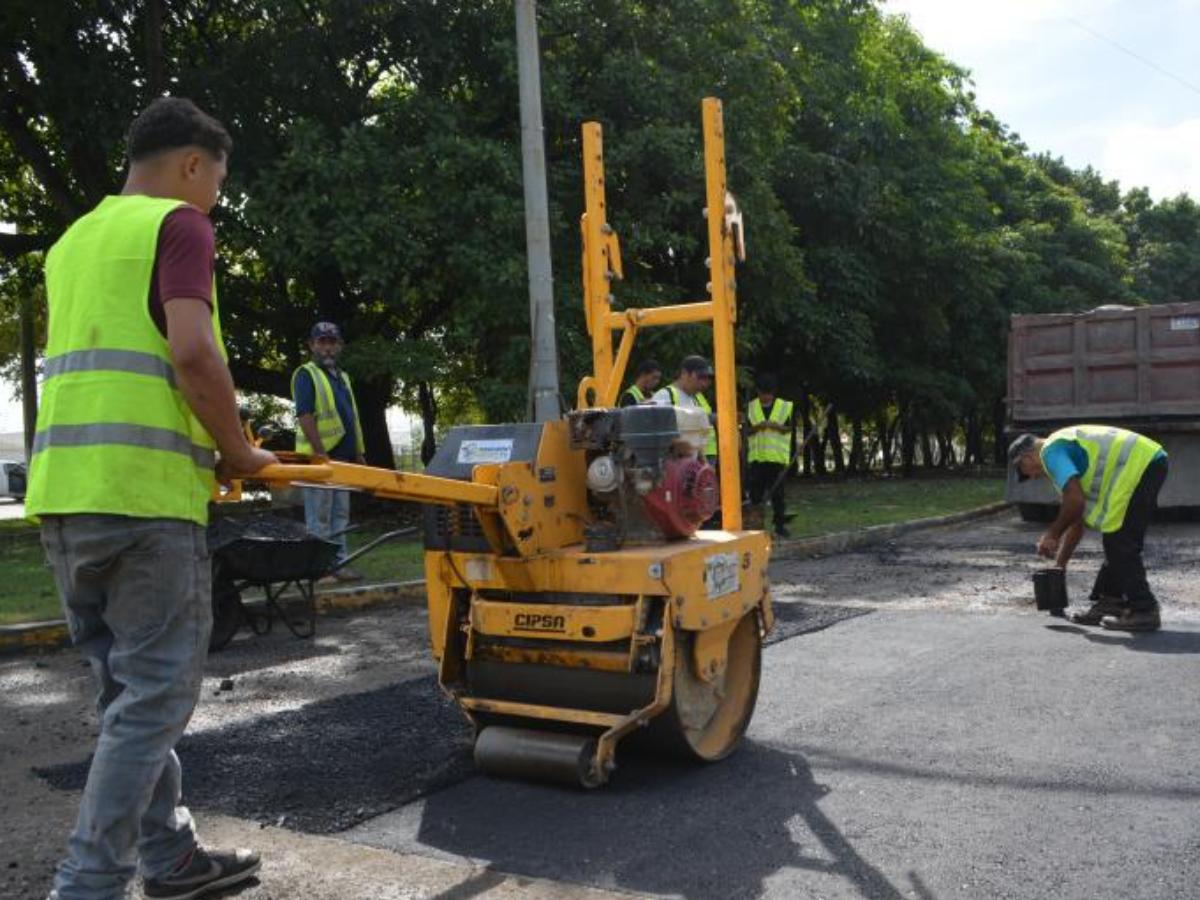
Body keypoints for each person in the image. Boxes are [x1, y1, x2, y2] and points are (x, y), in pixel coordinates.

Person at [26, 97, 272, 900]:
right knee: (155, 699)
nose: (215, 202)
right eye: (217, 184)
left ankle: (167, 856)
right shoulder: (180, 224)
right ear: (193, 164)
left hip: (66, 499)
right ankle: (87, 884)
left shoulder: (72, 242)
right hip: (143, 501)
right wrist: (239, 450)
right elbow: (192, 352)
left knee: (126, 700)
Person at [1009, 426, 1169, 631]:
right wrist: (1060, 566)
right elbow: (1077, 520)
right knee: (1115, 538)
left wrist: (1052, 534)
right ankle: (1111, 602)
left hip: (1143, 463)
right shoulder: (1061, 454)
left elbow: (1075, 502)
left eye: (1025, 471)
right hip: (1146, 463)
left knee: (1120, 541)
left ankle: (1144, 610)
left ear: (1027, 458)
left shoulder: (1051, 452)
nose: (1032, 477)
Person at [291, 321, 366, 580]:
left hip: (342, 458)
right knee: (319, 516)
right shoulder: (306, 374)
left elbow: (352, 418)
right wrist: (320, 452)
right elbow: (305, 415)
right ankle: (320, 569)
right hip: (319, 458)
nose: (327, 347)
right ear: (312, 345)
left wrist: (359, 453)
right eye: (322, 342)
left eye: (332, 342)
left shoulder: (342, 378)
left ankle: (338, 564)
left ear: (340, 345)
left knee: (339, 515)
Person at [746, 373, 795, 538]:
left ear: (773, 392)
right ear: (758, 391)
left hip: (776, 458)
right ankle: (755, 526)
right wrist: (758, 427)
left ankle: (780, 525)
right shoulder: (751, 407)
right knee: (756, 494)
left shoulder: (784, 406)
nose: (765, 397)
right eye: (763, 393)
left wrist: (777, 427)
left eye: (769, 394)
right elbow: (746, 431)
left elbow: (789, 428)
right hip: (757, 458)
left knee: (778, 495)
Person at [651, 355, 717, 461]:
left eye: (707, 379)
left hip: (688, 465)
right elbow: (655, 433)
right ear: (684, 374)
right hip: (670, 464)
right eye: (700, 377)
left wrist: (702, 462)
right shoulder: (665, 396)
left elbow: (695, 437)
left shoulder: (694, 400)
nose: (704, 384)